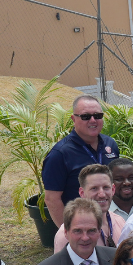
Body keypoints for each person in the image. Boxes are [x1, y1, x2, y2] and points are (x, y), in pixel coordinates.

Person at [44, 95, 119, 226]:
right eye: (85, 116)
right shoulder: (60, 154)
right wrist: (68, 231)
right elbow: (52, 199)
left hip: (109, 221)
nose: (93, 120)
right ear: (74, 119)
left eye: (97, 116)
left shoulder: (110, 144)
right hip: (81, 227)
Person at [54, 164, 127, 252]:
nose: (102, 194)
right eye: (94, 188)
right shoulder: (67, 235)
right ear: (82, 193)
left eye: (106, 187)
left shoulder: (120, 222)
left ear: (113, 190)